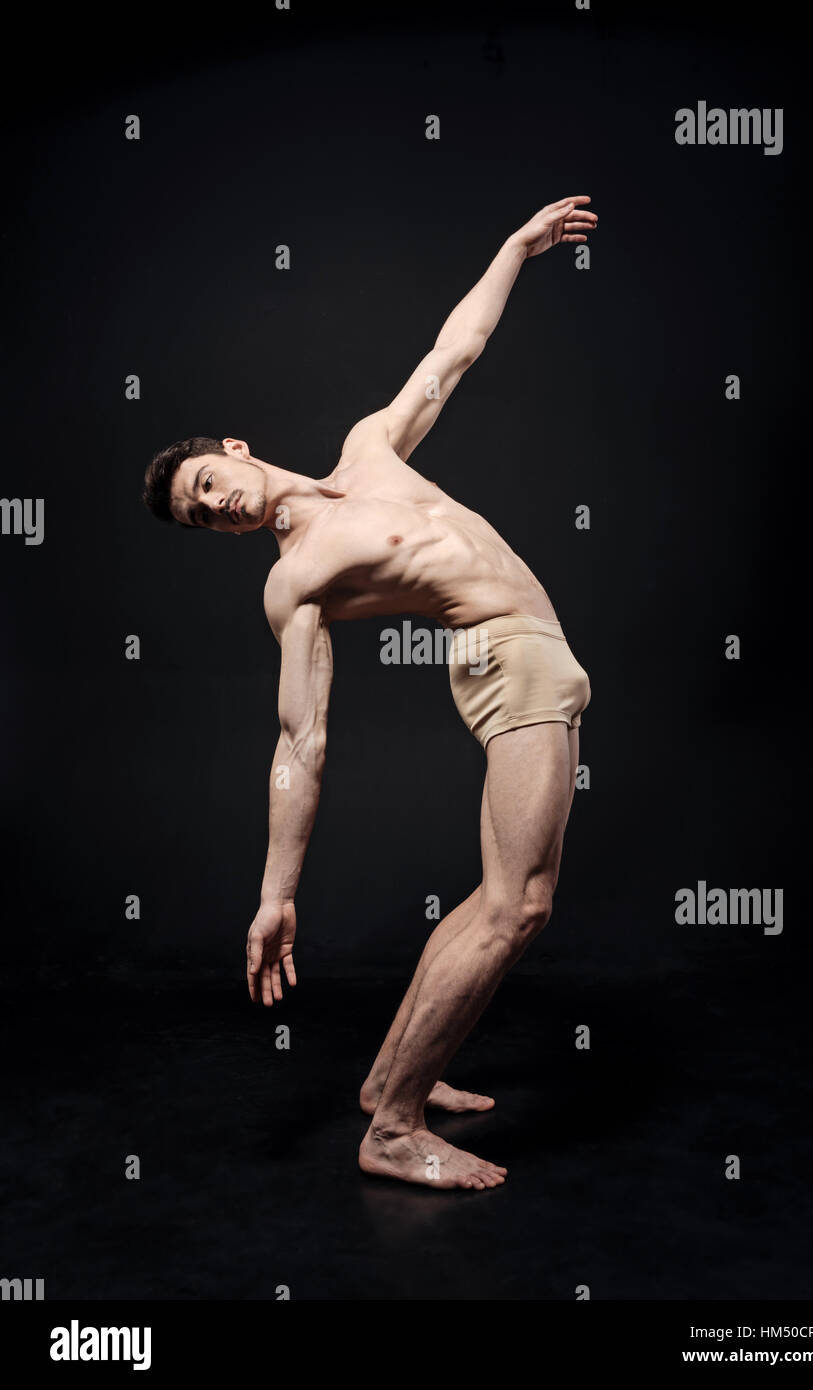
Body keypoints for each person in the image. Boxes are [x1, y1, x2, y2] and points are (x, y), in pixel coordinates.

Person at [142, 197, 597, 1189]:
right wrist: (275, 895)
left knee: (492, 897)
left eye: (208, 485)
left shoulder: (368, 449)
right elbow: (298, 742)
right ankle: (392, 1129)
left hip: (535, 652)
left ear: (234, 447)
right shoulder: (295, 578)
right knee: (520, 907)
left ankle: (398, 1078)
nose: (218, 507)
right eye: (201, 518)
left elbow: (452, 354)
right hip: (502, 659)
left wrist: (515, 245)